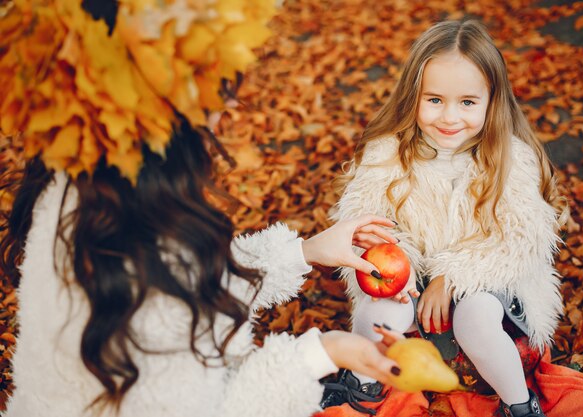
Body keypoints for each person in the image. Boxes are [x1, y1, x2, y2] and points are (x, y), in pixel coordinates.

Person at [0, 1, 408, 416]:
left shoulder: (76, 187)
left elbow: (189, 287)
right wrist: (321, 353)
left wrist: (304, 251)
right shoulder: (144, 256)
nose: (225, 108)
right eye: (216, 91)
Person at [325, 20, 568, 417]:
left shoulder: (511, 159)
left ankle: (519, 404)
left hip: (490, 281)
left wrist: (451, 279)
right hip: (416, 276)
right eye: (434, 100)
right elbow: (368, 221)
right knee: (380, 306)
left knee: (474, 316)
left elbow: (520, 242)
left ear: (492, 101)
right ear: (412, 96)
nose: (449, 117)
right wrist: (393, 266)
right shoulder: (388, 154)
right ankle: (363, 383)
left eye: (467, 103)